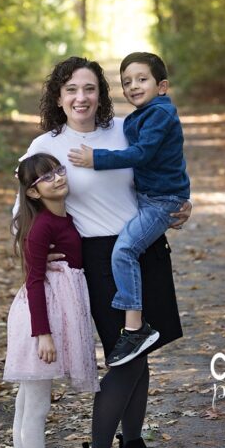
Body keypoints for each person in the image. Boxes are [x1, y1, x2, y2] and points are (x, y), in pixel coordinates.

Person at [22, 56, 190, 448]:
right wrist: (43, 254)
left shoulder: (126, 129)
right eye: (72, 90)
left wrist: (181, 206)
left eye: (90, 88)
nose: (82, 97)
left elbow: (159, 170)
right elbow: (23, 211)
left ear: (102, 93)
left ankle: (132, 445)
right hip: (100, 259)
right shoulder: (47, 146)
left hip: (146, 246)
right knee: (126, 356)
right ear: (58, 98)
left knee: (143, 350)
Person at [67, 52, 190, 367]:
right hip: (151, 198)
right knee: (126, 250)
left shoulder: (160, 115)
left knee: (124, 251)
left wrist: (97, 159)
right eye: (126, 82)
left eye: (142, 79)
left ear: (162, 86)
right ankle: (134, 327)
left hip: (160, 200)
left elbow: (143, 153)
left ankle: (135, 328)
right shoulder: (136, 118)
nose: (133, 86)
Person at [4, 152, 100, 448]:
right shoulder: (43, 225)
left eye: (59, 171)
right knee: (36, 405)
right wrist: (43, 334)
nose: (58, 178)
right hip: (38, 319)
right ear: (32, 193)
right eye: (46, 177)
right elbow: (33, 279)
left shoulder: (65, 218)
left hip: (52, 313)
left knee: (26, 403)